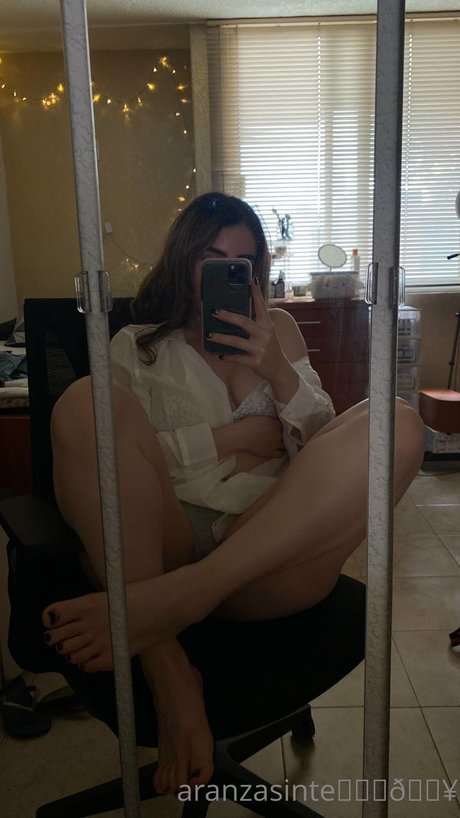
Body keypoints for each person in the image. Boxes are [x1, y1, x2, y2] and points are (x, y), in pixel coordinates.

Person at [41, 192, 425, 796]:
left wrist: (278, 371)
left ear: (257, 271)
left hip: (267, 551)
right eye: (212, 258)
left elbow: (324, 452)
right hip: (164, 540)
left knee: (396, 422)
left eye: (241, 263)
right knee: (84, 401)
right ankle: (171, 673)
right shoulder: (137, 344)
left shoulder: (281, 332)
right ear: (185, 261)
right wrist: (236, 438)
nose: (227, 272)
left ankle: (181, 599)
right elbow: (121, 461)